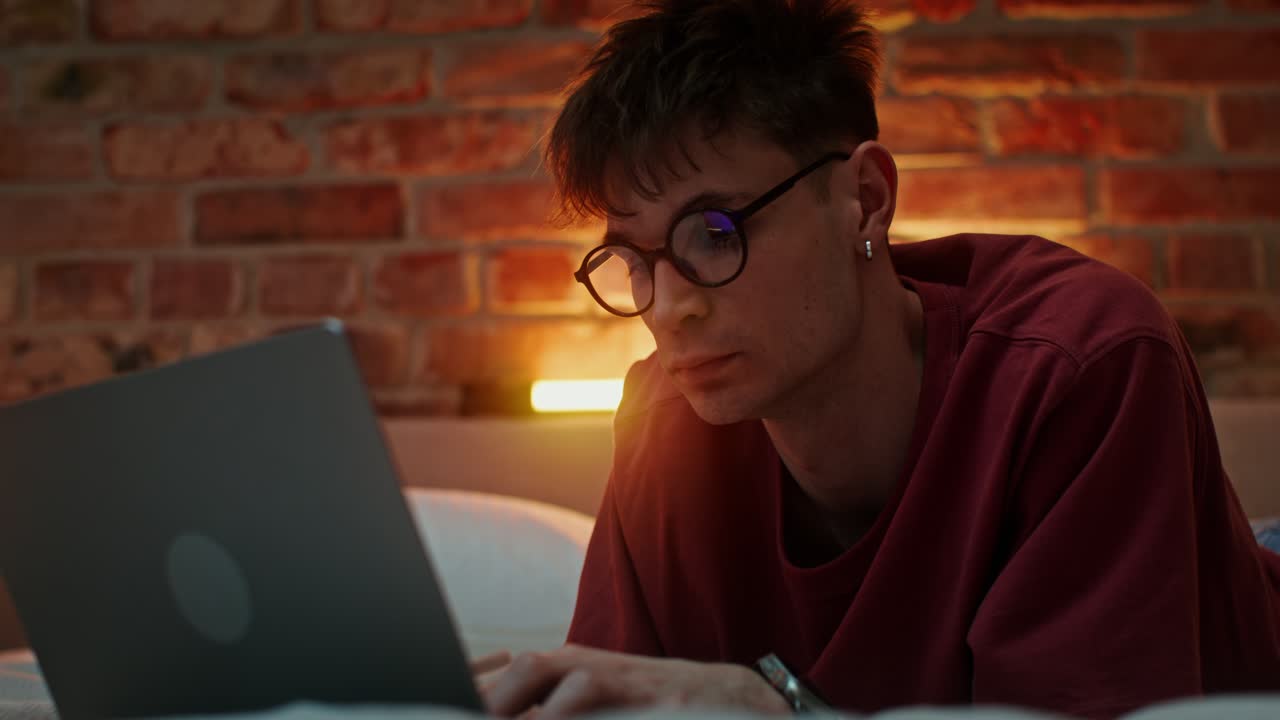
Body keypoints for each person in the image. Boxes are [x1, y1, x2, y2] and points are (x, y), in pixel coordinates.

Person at [475, 0, 1280, 717]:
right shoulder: (664, 422)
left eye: (714, 234)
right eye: (633, 260)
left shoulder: (1080, 360)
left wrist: (776, 706)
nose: (668, 307)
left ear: (865, 197)